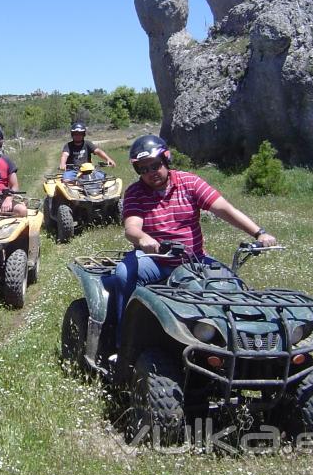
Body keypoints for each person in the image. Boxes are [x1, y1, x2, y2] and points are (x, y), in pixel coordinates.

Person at [111, 134, 277, 329]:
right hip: (155, 261)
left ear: (166, 160)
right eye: (143, 169)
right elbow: (131, 228)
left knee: (233, 284)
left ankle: (239, 338)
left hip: (193, 260)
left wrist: (259, 233)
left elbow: (226, 210)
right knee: (123, 274)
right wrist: (143, 238)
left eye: (155, 165)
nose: (150, 172)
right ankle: (124, 339)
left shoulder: (189, 183)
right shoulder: (135, 192)